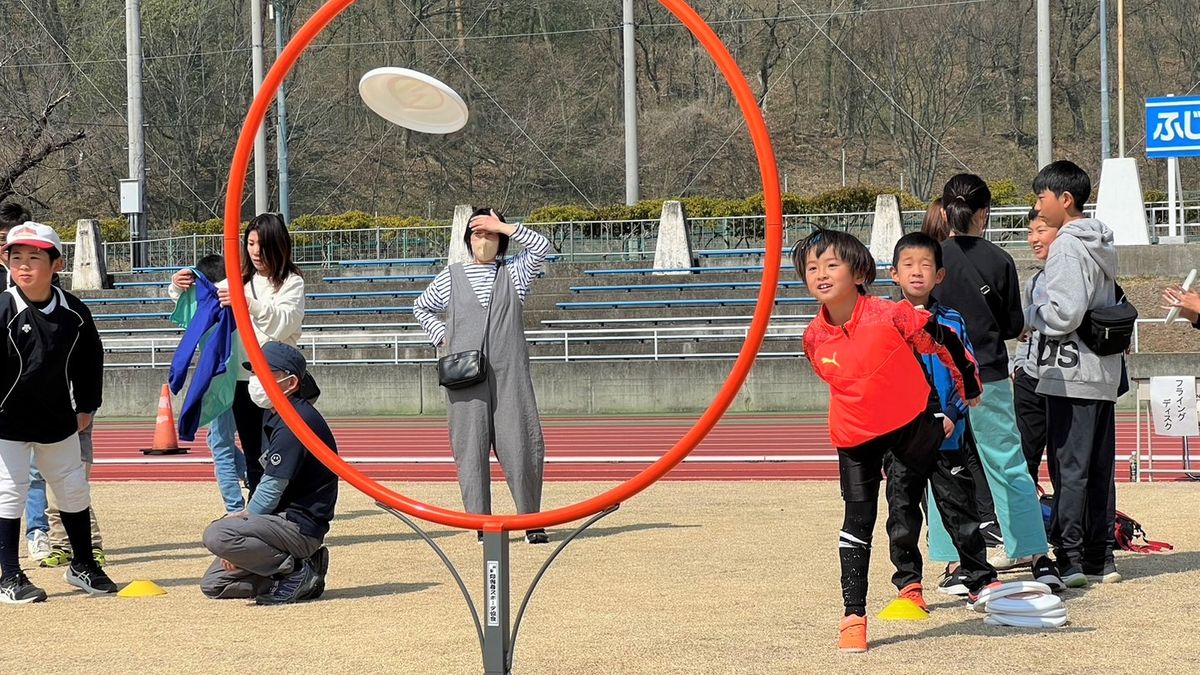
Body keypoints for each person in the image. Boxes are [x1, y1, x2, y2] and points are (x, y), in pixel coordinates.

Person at [797, 229, 990, 654]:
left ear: (860, 271)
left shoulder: (891, 315)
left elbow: (946, 345)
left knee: (952, 497)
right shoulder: (813, 337)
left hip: (913, 424)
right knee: (859, 523)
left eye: (831, 265)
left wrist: (968, 390)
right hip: (854, 438)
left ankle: (981, 579)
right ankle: (854, 616)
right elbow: (830, 374)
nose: (821, 275)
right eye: (812, 269)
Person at [933, 174, 1062, 588]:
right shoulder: (999, 259)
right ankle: (1037, 554)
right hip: (987, 374)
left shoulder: (929, 257)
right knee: (1008, 465)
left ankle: (954, 561)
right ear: (984, 213)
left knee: (945, 467)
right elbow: (1012, 325)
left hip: (940, 379)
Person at [413, 209, 551, 544]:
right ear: (467, 239)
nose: (484, 240)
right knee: (470, 450)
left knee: (521, 444)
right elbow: (421, 307)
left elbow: (542, 247)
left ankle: (531, 520)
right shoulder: (451, 276)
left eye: (489, 234)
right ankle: (480, 523)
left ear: (501, 240)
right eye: (478, 233)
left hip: (509, 375)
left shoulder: (515, 272)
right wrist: (443, 337)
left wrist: (502, 225)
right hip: (465, 378)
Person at [0, 223, 117, 603]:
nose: (24, 265)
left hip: (57, 419)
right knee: (9, 493)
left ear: (56, 264)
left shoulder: (74, 312)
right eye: (16, 257)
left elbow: (90, 361)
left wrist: (87, 406)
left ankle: (83, 563)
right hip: (7, 421)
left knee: (72, 488)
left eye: (34, 258)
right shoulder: (3, 307)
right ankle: (9, 575)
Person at [886, 233, 998, 604]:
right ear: (894, 274)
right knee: (903, 516)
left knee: (961, 512)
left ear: (940, 275)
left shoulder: (952, 321)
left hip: (948, 436)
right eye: (908, 265)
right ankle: (908, 585)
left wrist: (952, 413)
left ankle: (979, 579)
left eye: (926, 265)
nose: (917, 272)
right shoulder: (886, 324)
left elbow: (964, 373)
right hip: (903, 438)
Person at [1026, 160, 1123, 587]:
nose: (1037, 205)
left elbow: (1064, 312)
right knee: (1099, 466)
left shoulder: (1066, 244)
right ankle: (1101, 557)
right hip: (1103, 369)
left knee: (1069, 468)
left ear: (1064, 200)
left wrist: (1031, 312)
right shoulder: (1101, 240)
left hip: (1069, 371)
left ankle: (1070, 558)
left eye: (1041, 197)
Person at [170, 213, 304, 495]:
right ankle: (258, 521)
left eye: (262, 244)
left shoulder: (292, 282)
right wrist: (178, 285)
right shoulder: (239, 281)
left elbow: (282, 324)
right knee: (255, 455)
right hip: (244, 381)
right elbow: (203, 299)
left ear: (278, 244)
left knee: (283, 454)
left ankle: (289, 517)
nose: (255, 252)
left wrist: (249, 305)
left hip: (280, 383)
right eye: (251, 243)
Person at [200, 342, 335, 604]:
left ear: (290, 382)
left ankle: (295, 570)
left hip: (298, 525)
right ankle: (301, 574)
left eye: (264, 374)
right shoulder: (275, 414)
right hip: (278, 524)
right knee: (214, 585)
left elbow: (273, 486)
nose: (254, 380)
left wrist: (243, 523)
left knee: (219, 534)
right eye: (253, 373)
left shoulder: (295, 420)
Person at [170, 254, 246, 513]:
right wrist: (177, 282)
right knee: (220, 439)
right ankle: (250, 474)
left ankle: (235, 508)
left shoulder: (210, 297)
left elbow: (182, 300)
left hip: (219, 379)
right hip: (243, 377)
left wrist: (177, 284)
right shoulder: (241, 290)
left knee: (221, 445)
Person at [1013, 207, 1054, 483]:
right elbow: (1025, 332)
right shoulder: (1035, 281)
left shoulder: (1086, 275)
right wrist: (1019, 366)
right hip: (1031, 379)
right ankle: (1031, 519)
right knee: (1025, 458)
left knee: (1066, 462)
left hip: (1065, 380)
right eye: (1030, 232)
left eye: (1041, 231)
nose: (1033, 239)